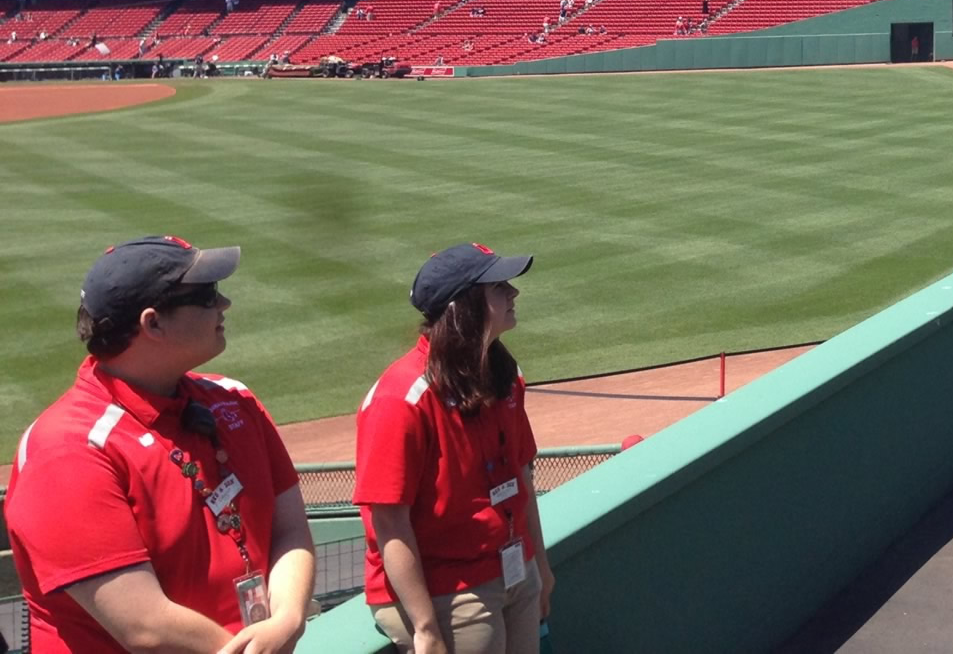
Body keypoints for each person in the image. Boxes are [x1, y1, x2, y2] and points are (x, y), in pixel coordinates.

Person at [5, 236, 315, 654]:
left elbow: (290, 530)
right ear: (152, 324)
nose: (224, 304)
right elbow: (144, 626)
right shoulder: (67, 451)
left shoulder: (234, 399)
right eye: (206, 296)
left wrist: (288, 620)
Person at [356, 244, 553, 654]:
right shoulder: (401, 400)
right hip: (449, 589)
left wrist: (541, 569)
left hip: (515, 567)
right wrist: (425, 626)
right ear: (464, 307)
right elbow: (389, 523)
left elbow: (521, 474)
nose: (513, 294)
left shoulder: (503, 373)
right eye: (499, 287)